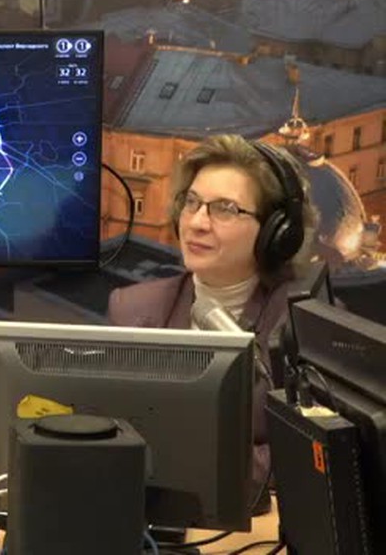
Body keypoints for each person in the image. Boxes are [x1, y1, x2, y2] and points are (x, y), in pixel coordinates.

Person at [107, 134, 319, 513]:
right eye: (191, 202)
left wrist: (176, 461)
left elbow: (309, 456)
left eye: (225, 209)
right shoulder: (134, 310)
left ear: (276, 232)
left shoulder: (304, 323)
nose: (197, 223)